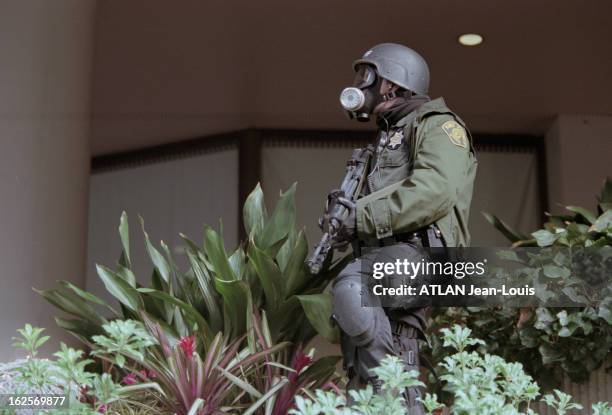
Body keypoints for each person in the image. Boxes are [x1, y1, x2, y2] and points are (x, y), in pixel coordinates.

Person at [328, 43, 478, 413]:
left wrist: (359, 216)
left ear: (393, 84)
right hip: (390, 260)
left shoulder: (438, 124)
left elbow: (435, 190)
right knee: (362, 371)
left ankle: (392, 378)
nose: (360, 87)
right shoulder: (385, 139)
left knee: (352, 286)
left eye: (368, 77)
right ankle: (391, 384)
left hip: (425, 257)